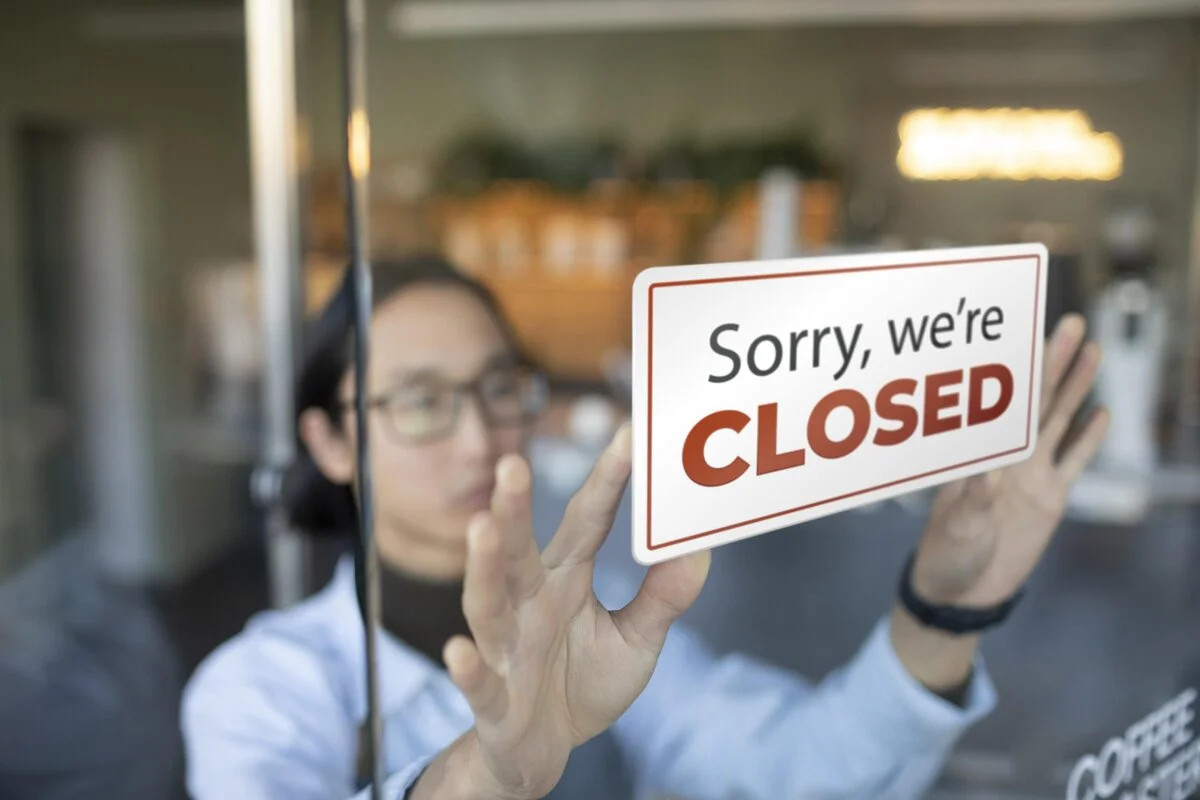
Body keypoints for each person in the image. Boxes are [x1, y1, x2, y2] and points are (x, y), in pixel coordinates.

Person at [182, 254, 1109, 800]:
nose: (479, 436)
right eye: (420, 402)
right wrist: (482, 776)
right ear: (331, 440)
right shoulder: (257, 691)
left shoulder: (599, 620)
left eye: (499, 387)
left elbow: (797, 776)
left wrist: (943, 609)